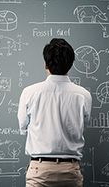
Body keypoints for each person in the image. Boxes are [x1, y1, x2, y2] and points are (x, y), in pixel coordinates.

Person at [17, 38, 92, 187]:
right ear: (70, 64)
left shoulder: (29, 92)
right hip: (70, 170)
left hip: (39, 171)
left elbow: (23, 127)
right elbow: (84, 124)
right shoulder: (83, 95)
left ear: (46, 64)